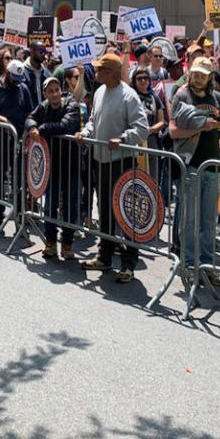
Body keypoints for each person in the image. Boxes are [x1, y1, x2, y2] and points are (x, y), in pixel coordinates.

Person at [75, 53, 149, 283]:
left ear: (113, 72)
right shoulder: (98, 92)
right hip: (100, 160)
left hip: (122, 162)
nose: (96, 73)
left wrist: (123, 138)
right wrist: (86, 133)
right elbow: (93, 121)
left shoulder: (129, 96)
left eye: (101, 70)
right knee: (105, 209)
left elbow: (142, 128)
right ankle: (104, 257)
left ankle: (128, 264)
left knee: (126, 212)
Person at [170, 56, 220, 285]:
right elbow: (173, 132)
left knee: (208, 221)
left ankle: (206, 266)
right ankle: (188, 264)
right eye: (195, 73)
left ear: (209, 77)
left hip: (212, 165)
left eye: (202, 75)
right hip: (191, 164)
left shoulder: (216, 98)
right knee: (189, 219)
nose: (197, 78)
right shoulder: (182, 95)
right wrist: (202, 128)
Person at [26, 75, 81, 260]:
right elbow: (30, 118)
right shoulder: (43, 106)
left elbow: (66, 125)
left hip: (71, 163)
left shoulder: (71, 104)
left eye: (57, 89)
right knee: (50, 203)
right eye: (50, 91)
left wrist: (40, 129)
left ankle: (67, 243)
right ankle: (50, 242)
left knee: (70, 205)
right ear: (45, 94)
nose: (55, 94)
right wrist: (32, 126)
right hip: (51, 164)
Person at [0, 58, 35, 235]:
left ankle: (20, 218)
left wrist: (30, 127)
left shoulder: (23, 88)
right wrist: (4, 121)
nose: (17, 83)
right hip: (0, 141)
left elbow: (29, 112)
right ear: (6, 74)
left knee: (20, 181)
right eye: (14, 79)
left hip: (19, 142)